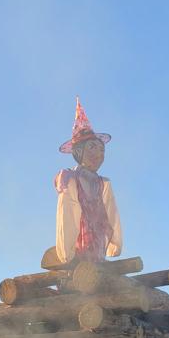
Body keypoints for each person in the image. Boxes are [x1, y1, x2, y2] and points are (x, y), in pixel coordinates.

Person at [54, 98, 122, 264]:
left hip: (98, 246)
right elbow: (67, 215)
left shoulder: (103, 184)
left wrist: (115, 245)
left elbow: (112, 214)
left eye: (102, 149)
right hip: (78, 251)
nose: (99, 154)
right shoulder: (70, 179)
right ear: (79, 152)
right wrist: (66, 253)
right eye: (92, 147)